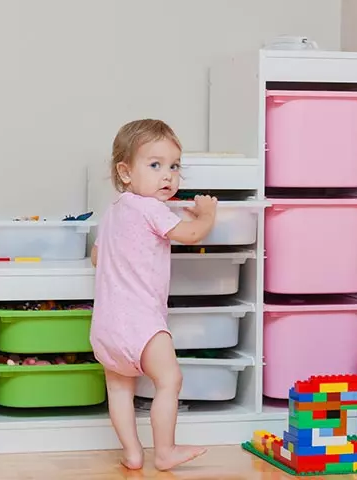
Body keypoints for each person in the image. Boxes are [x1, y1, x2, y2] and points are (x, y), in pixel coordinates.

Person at [90, 119, 217, 471]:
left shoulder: (114, 212)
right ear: (125, 172)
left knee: (119, 391)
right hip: (141, 320)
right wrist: (207, 215)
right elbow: (190, 234)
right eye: (155, 165)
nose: (168, 176)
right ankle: (165, 452)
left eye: (174, 166)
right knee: (170, 379)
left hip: (106, 324)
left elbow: (97, 256)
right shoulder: (150, 208)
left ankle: (132, 453)